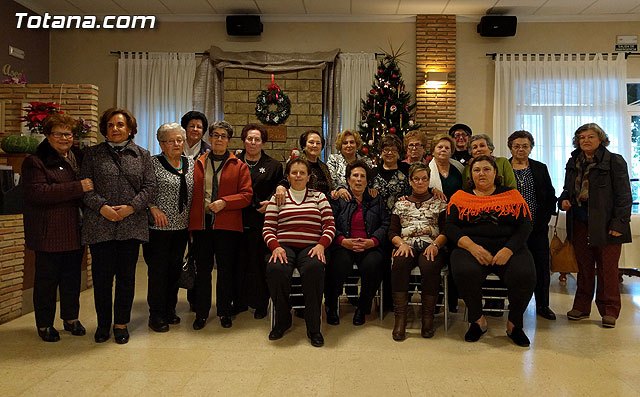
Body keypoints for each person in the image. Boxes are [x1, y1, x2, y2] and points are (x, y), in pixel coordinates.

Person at [81, 108, 156, 344]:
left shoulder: (142, 155)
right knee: (102, 279)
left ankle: (121, 323)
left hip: (131, 225)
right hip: (99, 224)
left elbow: (150, 187)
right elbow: (84, 187)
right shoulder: (92, 155)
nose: (115, 129)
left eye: (120, 125)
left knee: (126, 277)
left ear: (130, 129)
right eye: (111, 125)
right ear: (105, 129)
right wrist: (102, 207)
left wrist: (131, 208)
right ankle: (103, 324)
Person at [445, 155, 536, 347]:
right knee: (464, 271)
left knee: (524, 273)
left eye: (486, 169)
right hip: (471, 246)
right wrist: (471, 247)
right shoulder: (460, 196)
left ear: (496, 173)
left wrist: (509, 249)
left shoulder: (512, 195)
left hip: (508, 246)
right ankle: (478, 321)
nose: (482, 173)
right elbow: (450, 226)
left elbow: (525, 226)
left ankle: (514, 325)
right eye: (477, 170)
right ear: (471, 174)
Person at [22, 113, 93, 342]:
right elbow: (37, 193)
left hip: (75, 230)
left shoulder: (77, 157)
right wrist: (78, 187)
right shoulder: (35, 161)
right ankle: (44, 324)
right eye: (59, 134)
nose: (65, 138)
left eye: (68, 133)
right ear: (48, 135)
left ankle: (71, 318)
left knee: (72, 279)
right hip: (49, 232)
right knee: (47, 281)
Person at [559, 123, 632, 329]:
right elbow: (567, 189)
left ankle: (609, 311)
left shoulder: (614, 161)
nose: (586, 141)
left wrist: (619, 223)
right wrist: (563, 200)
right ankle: (582, 307)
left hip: (607, 223)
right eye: (581, 138)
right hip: (580, 221)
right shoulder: (574, 161)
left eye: (590, 137)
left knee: (608, 269)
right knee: (583, 268)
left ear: (601, 139)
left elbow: (624, 195)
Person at [263, 158, 336, 347]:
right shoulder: (278, 197)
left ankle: (314, 328)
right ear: (287, 176)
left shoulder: (319, 197)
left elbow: (329, 225)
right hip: (283, 246)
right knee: (276, 270)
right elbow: (268, 228)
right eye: (294, 172)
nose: (298, 176)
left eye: (302, 173)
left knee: (314, 269)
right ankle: (282, 320)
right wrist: (275, 247)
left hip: (312, 246)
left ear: (308, 176)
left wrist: (321, 245)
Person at [188, 121, 252, 330]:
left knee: (226, 271)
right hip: (202, 225)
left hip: (227, 226)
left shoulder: (239, 165)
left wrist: (225, 202)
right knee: (203, 271)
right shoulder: (198, 163)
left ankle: (224, 311)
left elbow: (247, 196)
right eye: (215, 135)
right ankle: (201, 312)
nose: (219, 139)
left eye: (223, 136)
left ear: (229, 140)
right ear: (210, 138)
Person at [143, 123, 194, 332]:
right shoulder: (152, 164)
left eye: (180, 140)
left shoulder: (190, 162)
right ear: (162, 143)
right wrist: (152, 207)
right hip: (158, 230)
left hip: (181, 228)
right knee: (158, 272)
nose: (176, 144)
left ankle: (170, 309)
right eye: (171, 140)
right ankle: (156, 314)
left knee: (174, 271)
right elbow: (141, 190)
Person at [389, 163, 447, 341]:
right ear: (410, 181)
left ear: (429, 180)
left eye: (424, 179)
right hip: (406, 244)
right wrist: (400, 244)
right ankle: (401, 318)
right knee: (399, 263)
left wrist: (436, 245)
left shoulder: (439, 202)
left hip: (432, 245)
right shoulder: (401, 203)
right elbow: (391, 231)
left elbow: (446, 231)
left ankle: (427, 318)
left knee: (429, 265)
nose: (420, 182)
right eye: (416, 179)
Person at [325, 161, 388, 326]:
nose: (359, 180)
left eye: (362, 176)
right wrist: (342, 240)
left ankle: (363, 307)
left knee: (373, 264)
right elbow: (329, 223)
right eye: (355, 176)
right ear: (348, 179)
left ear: (367, 181)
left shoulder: (376, 199)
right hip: (343, 244)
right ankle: (331, 306)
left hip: (370, 245)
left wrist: (373, 241)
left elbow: (385, 223)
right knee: (339, 263)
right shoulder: (340, 199)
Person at [508, 130, 557, 320]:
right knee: (512, 267)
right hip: (510, 229)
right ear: (510, 147)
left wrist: (542, 220)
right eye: (517, 146)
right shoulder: (503, 167)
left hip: (536, 227)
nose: (521, 149)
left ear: (531, 148)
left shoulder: (539, 168)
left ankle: (543, 305)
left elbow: (550, 195)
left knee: (541, 267)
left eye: (525, 146)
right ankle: (506, 304)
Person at [236, 123, 283, 319]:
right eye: (249, 138)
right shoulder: (234, 162)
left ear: (263, 142)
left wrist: (272, 201)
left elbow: (281, 186)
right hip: (236, 220)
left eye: (257, 139)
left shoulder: (274, 165)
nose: (253, 142)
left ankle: (261, 303)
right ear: (244, 140)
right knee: (238, 263)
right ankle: (238, 302)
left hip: (262, 221)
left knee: (259, 264)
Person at [428, 134, 464, 312]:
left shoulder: (459, 168)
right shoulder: (427, 170)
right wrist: (431, 189)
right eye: (440, 147)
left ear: (452, 151)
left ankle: (453, 300)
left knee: (455, 257)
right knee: (438, 258)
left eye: (447, 148)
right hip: (436, 219)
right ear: (433, 150)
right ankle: (437, 298)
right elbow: (418, 187)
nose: (443, 150)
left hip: (457, 218)